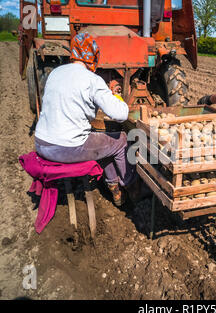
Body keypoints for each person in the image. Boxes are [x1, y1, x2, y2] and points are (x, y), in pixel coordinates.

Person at [34, 32, 139, 206]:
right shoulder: (92, 80)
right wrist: (116, 97)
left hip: (41, 143)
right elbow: (121, 114)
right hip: (65, 148)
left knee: (103, 143)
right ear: (93, 57)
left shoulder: (56, 73)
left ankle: (114, 189)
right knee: (119, 139)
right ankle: (131, 186)